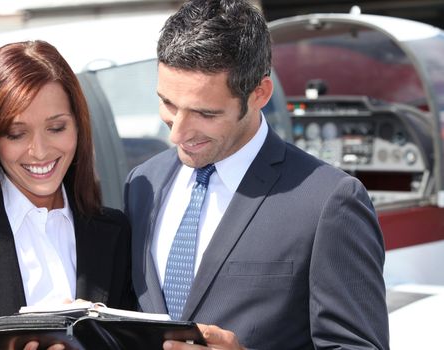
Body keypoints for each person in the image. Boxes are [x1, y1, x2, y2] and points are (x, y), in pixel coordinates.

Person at [124, 0, 389, 349]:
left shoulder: (329, 201)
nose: (177, 134)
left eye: (205, 113)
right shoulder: (143, 182)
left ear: (259, 94)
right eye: (169, 104)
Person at [0, 40, 134, 349]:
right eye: (17, 134)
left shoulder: (114, 233)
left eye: (56, 128)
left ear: (78, 126)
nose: (40, 151)